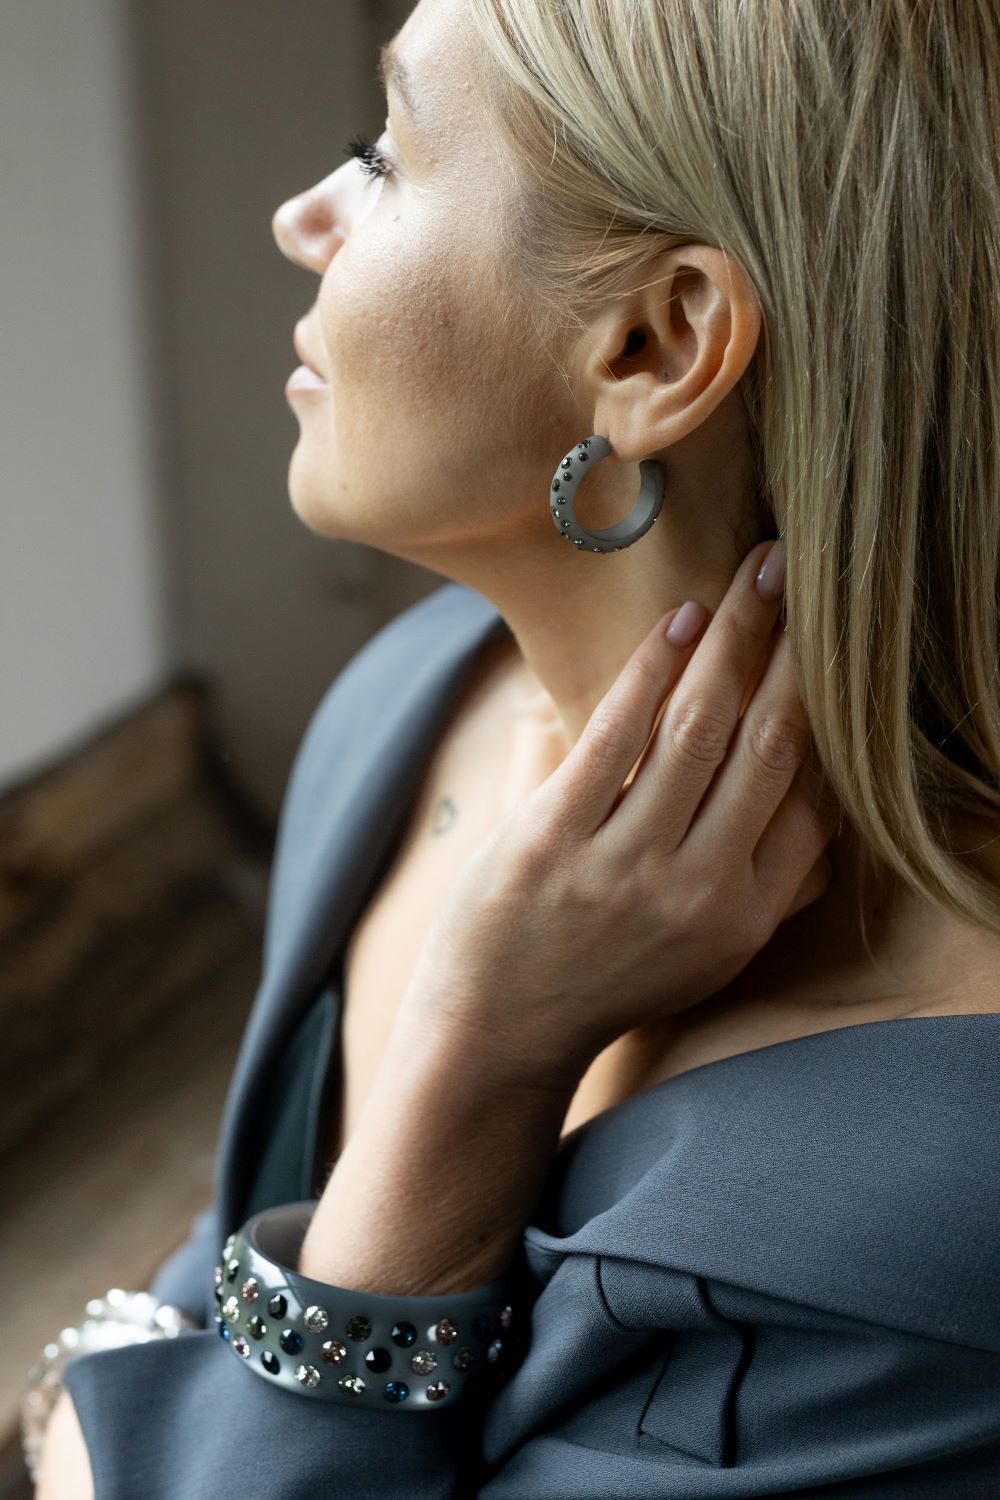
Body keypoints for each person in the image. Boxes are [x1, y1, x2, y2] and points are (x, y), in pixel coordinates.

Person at [37, 0, 1000, 1493]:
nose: (303, 215)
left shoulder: (925, 1188)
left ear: (655, 342)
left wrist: (474, 1070)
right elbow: (204, 1276)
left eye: (387, 155)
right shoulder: (417, 699)